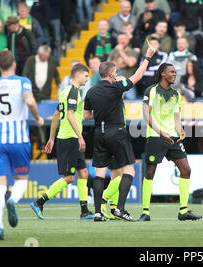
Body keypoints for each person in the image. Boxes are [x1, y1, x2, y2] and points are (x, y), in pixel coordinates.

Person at [83, 41, 157, 222]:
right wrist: (147, 56)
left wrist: (101, 115)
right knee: (130, 171)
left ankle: (98, 212)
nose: (116, 75)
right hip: (117, 131)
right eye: (115, 72)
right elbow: (138, 75)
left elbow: (86, 116)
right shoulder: (117, 86)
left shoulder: (91, 92)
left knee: (100, 173)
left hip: (99, 133)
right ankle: (120, 209)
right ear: (110, 74)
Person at [0, 49, 44, 240]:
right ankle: (13, 200)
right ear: (15, 65)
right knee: (21, 179)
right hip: (19, 139)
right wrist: (38, 118)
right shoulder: (22, 82)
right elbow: (30, 101)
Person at [30, 64, 95, 221]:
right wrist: (80, 136)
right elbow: (70, 115)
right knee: (69, 177)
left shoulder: (65, 91)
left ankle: (84, 211)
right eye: (86, 76)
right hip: (69, 139)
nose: (88, 79)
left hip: (67, 138)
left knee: (83, 173)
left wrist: (51, 138)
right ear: (77, 75)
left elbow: (55, 116)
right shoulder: (73, 92)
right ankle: (39, 202)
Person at [139, 62, 202, 222]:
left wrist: (180, 129)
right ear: (162, 73)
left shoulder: (176, 93)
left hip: (172, 137)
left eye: (175, 72)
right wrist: (161, 133)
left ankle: (183, 210)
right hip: (155, 136)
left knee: (186, 169)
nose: (175, 74)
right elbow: (146, 115)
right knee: (150, 172)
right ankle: (145, 212)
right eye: (172, 72)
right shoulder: (151, 90)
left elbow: (176, 117)